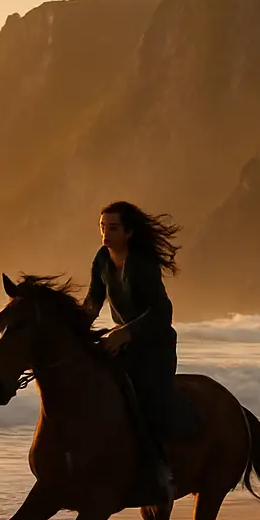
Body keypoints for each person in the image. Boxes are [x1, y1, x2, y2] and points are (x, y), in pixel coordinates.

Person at [83, 200, 180, 501]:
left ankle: (161, 471)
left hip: (155, 348)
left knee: (147, 403)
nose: (105, 234)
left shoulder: (141, 263)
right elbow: (91, 304)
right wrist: (72, 330)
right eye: (102, 227)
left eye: (113, 228)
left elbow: (163, 312)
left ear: (128, 231)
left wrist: (125, 332)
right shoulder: (102, 259)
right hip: (122, 344)